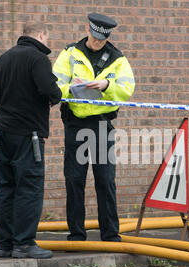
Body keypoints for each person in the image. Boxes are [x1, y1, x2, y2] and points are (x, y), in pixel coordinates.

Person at [53, 13, 135, 242]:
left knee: (105, 180)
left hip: (101, 126)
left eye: (102, 39)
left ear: (108, 36)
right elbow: (55, 84)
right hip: (76, 124)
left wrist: (106, 84)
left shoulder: (118, 59)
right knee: (74, 179)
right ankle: (77, 234)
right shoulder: (70, 53)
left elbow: (127, 88)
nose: (97, 42)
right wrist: (71, 88)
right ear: (88, 30)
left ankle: (110, 234)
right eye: (95, 37)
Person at [0, 23, 62, 258]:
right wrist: (54, 96)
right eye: (47, 37)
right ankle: (24, 243)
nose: (48, 43)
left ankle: (4, 244)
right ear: (40, 35)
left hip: (5, 131)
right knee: (29, 187)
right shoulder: (38, 59)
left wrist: (7, 109)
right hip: (29, 134)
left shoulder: (5, 57)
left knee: (6, 187)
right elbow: (51, 91)